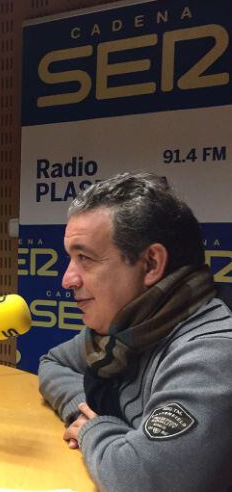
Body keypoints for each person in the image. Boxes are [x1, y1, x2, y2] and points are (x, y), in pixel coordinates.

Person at [38, 172, 232, 491]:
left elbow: (142, 479)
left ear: (151, 264)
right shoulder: (124, 328)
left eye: (84, 258)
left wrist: (94, 429)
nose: (67, 280)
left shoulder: (212, 350)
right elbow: (53, 362)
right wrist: (83, 409)